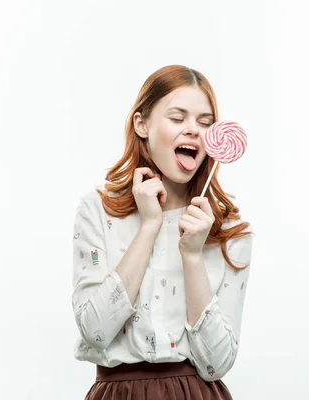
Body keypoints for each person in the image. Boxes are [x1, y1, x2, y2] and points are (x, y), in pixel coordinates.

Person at [71, 64, 254, 399]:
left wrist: (193, 255)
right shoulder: (97, 211)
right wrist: (150, 226)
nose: (193, 131)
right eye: (177, 117)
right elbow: (95, 331)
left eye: (204, 122)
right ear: (142, 124)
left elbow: (217, 364)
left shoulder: (227, 229)